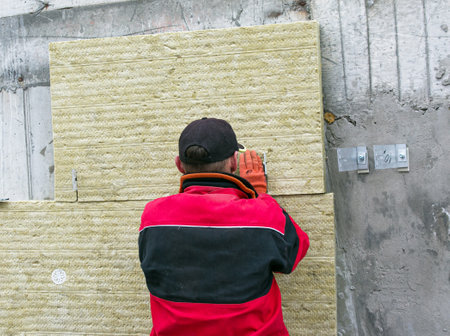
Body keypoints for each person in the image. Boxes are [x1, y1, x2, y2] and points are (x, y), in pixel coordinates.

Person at [139, 117, 309, 336]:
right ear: (234, 162)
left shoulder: (152, 217)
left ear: (179, 165)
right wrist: (260, 195)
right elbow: (293, 255)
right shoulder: (263, 215)